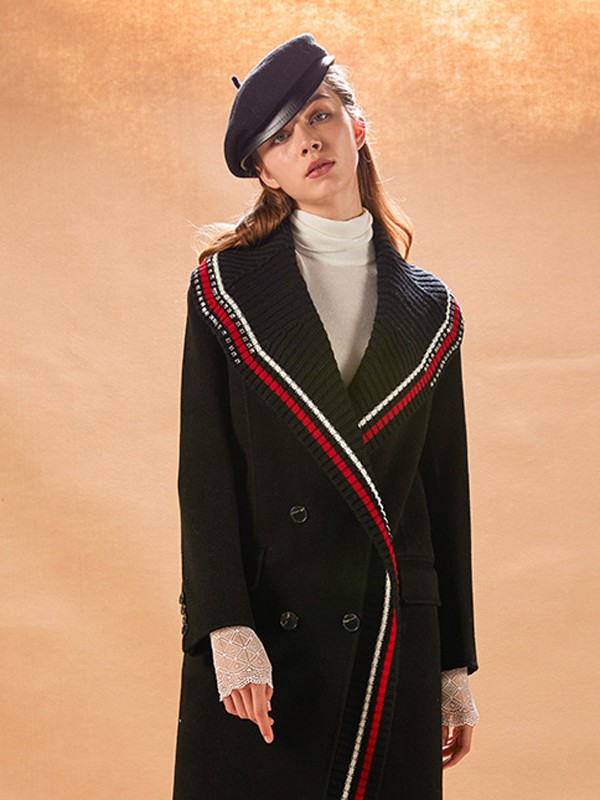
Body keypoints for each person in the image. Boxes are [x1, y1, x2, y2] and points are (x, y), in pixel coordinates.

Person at [172, 33, 479, 800]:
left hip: (389, 636)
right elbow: (205, 471)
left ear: (357, 126)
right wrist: (226, 628)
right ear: (265, 171)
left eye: (319, 114)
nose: (307, 140)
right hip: (268, 633)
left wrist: (452, 664)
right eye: (280, 137)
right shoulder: (225, 289)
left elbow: (443, 491)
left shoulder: (433, 309)